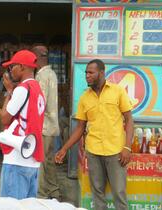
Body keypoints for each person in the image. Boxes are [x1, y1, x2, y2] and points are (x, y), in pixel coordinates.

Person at [55, 59, 134, 210]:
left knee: (119, 194)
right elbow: (79, 128)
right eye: (86, 73)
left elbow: (129, 120)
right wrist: (64, 149)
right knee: (97, 194)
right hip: (93, 152)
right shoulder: (84, 97)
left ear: (102, 73)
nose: (87, 76)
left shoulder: (118, 91)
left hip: (116, 152)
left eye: (91, 72)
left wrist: (127, 147)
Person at [0, 50, 46, 199]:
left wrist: (9, 91)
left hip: (17, 159)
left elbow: (5, 119)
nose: (10, 71)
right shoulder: (37, 89)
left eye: (12, 67)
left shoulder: (22, 89)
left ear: (22, 67)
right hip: (32, 160)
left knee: (11, 206)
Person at [32, 45, 60, 200]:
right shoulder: (52, 73)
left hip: (43, 126)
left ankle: (41, 195)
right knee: (49, 161)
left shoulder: (42, 76)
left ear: (37, 58)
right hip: (51, 126)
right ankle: (54, 191)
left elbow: (39, 103)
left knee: (41, 162)